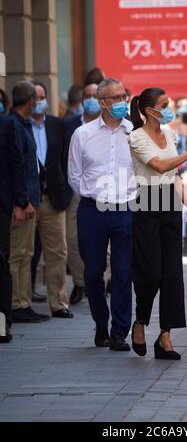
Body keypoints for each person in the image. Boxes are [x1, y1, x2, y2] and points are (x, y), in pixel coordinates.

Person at [128, 87, 187, 360]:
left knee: (172, 274)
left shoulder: (171, 134)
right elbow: (160, 166)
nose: (169, 107)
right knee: (151, 272)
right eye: (164, 104)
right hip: (146, 202)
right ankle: (139, 320)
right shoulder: (136, 137)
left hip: (170, 204)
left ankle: (165, 336)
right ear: (151, 110)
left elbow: (173, 177)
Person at [68, 78, 134, 351]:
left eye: (123, 97)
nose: (121, 102)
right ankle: (100, 323)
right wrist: (94, 194)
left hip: (126, 210)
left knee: (122, 273)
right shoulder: (82, 134)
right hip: (92, 210)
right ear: (103, 102)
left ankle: (119, 331)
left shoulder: (134, 132)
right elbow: (74, 173)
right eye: (116, 98)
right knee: (92, 272)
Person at [31, 81, 72, 318]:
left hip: (53, 198)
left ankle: (58, 303)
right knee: (25, 253)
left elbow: (66, 160)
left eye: (42, 96)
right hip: (25, 200)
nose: (39, 102)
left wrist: (65, 193)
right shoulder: (19, 126)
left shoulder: (58, 125)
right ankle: (21, 302)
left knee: (58, 252)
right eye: (35, 98)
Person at [8, 81, 45, 323]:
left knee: (27, 253)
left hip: (31, 198)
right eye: (36, 99)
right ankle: (15, 303)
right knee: (18, 255)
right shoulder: (12, 125)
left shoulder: (22, 125)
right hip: (23, 202)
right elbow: (15, 167)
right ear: (30, 100)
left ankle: (24, 301)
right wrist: (22, 202)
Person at [65, 81, 104, 305]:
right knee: (73, 240)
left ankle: (102, 281)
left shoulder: (119, 127)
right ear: (82, 101)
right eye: (87, 95)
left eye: (94, 95)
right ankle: (80, 283)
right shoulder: (70, 125)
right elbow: (65, 159)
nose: (90, 99)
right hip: (78, 192)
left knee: (106, 243)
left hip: (107, 194)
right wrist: (79, 190)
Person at [0, 115, 27, 342]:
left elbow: (16, 163)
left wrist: (20, 202)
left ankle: (2, 324)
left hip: (1, 204)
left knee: (1, 261)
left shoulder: (6, 124)